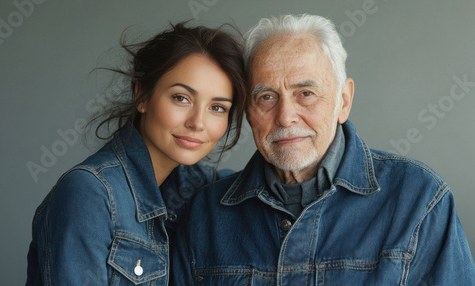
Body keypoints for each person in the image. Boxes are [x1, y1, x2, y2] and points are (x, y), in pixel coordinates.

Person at [172, 14, 475, 285]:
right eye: (266, 97)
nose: (285, 116)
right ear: (248, 111)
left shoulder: (418, 200)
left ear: (343, 101)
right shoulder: (205, 214)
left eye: (306, 93)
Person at [26, 22, 246, 285]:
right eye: (181, 98)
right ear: (141, 95)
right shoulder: (90, 194)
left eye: (218, 108)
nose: (198, 122)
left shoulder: (205, 189)